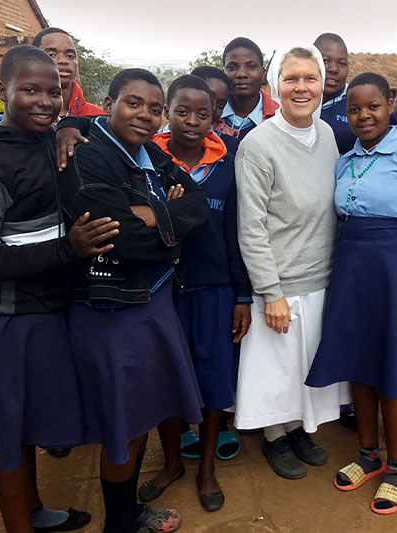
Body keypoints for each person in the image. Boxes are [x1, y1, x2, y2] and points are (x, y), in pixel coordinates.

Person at [0, 44, 112, 533]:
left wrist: (67, 126)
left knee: (26, 426)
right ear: (2, 92)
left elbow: (94, 124)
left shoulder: (43, 138)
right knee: (10, 436)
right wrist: (70, 250)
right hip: (13, 320)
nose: (44, 101)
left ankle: (35, 511)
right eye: (30, 91)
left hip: (49, 310)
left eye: (54, 92)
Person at [57, 68, 209, 532]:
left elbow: (198, 205)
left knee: (140, 414)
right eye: (133, 103)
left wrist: (153, 215)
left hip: (150, 301)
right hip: (114, 310)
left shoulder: (147, 155)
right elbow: (118, 238)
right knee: (123, 422)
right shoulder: (86, 157)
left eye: (153, 108)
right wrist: (168, 222)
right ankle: (121, 522)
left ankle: (127, 514)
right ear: (108, 104)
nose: (145, 115)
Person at [306, 72, 397, 515]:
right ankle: (367, 453)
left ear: (389, 104)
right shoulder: (344, 160)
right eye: (354, 109)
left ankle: (395, 466)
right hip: (352, 274)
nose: (363, 115)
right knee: (360, 368)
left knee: (393, 372)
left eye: (372, 106)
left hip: (393, 273)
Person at [234, 44, 350, 480]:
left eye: (310, 78)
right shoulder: (258, 145)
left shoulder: (328, 138)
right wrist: (271, 291)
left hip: (321, 277)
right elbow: (252, 226)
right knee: (275, 369)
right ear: (274, 84)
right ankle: (274, 436)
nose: (301, 88)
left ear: (323, 83)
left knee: (304, 365)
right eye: (291, 78)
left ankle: (301, 429)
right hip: (279, 283)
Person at [137, 75, 252, 512]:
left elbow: (236, 233)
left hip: (214, 290)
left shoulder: (227, 165)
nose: (191, 121)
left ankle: (206, 469)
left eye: (202, 114)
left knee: (213, 379)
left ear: (214, 117)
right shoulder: (146, 158)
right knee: (164, 376)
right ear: (167, 111)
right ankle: (172, 463)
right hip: (161, 290)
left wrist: (242, 296)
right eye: (181, 111)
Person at [32, 27, 103, 117]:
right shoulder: (24, 117)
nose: (63, 61)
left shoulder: (98, 118)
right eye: (52, 55)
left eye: (70, 56)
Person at [218, 37, 278, 140]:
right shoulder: (210, 112)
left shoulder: (279, 115)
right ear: (223, 73)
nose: (242, 74)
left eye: (251, 67)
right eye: (232, 68)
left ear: (263, 73)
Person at [314, 32, 356, 155]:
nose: (334, 69)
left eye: (342, 63)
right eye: (325, 61)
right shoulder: (296, 98)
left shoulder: (356, 101)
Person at [189, 66, 241, 155]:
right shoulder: (157, 144)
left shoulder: (229, 149)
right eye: (208, 98)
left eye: (220, 105)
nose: (212, 108)